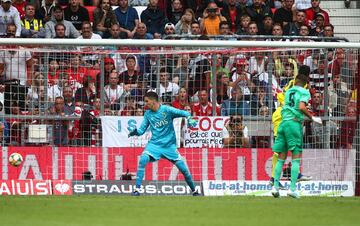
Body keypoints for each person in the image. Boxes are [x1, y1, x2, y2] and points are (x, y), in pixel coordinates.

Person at [128, 91, 199, 196]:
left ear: (153, 101)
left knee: (184, 170)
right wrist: (135, 132)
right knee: (143, 159)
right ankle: (137, 190)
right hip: (155, 145)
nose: (145, 103)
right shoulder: (148, 114)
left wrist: (189, 118)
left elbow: (185, 113)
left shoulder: (166, 109)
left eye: (147, 101)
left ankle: (194, 191)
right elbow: (141, 130)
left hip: (169, 146)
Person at [271, 65, 322, 199]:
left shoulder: (288, 91)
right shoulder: (304, 92)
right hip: (294, 125)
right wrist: (312, 117)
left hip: (283, 123)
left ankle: (275, 187)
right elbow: (300, 106)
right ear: (306, 82)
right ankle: (292, 189)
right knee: (296, 157)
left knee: (281, 157)